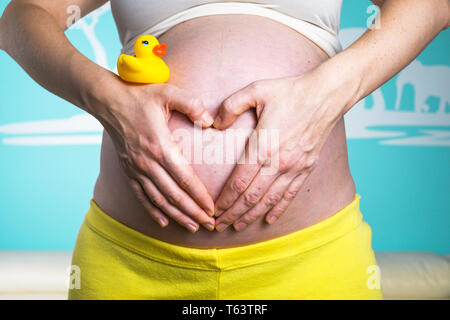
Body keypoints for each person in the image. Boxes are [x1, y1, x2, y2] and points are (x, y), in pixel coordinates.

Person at [0, 0, 448, 299]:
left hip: (309, 264)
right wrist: (104, 96)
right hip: (132, 266)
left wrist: (327, 92)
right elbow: (23, 16)